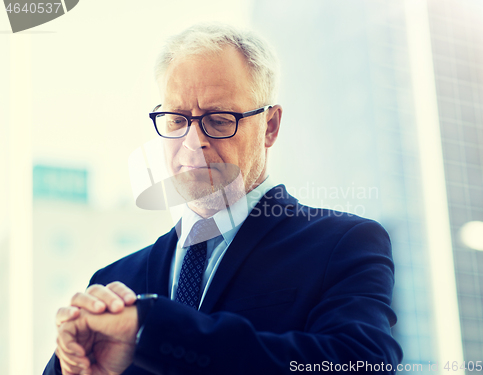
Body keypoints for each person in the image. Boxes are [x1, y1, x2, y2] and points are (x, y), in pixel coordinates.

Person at [43, 23, 403, 375]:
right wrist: (69, 365)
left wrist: (154, 328)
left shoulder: (343, 245)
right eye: (176, 119)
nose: (192, 141)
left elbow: (362, 364)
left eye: (218, 119)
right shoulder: (113, 281)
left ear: (270, 126)